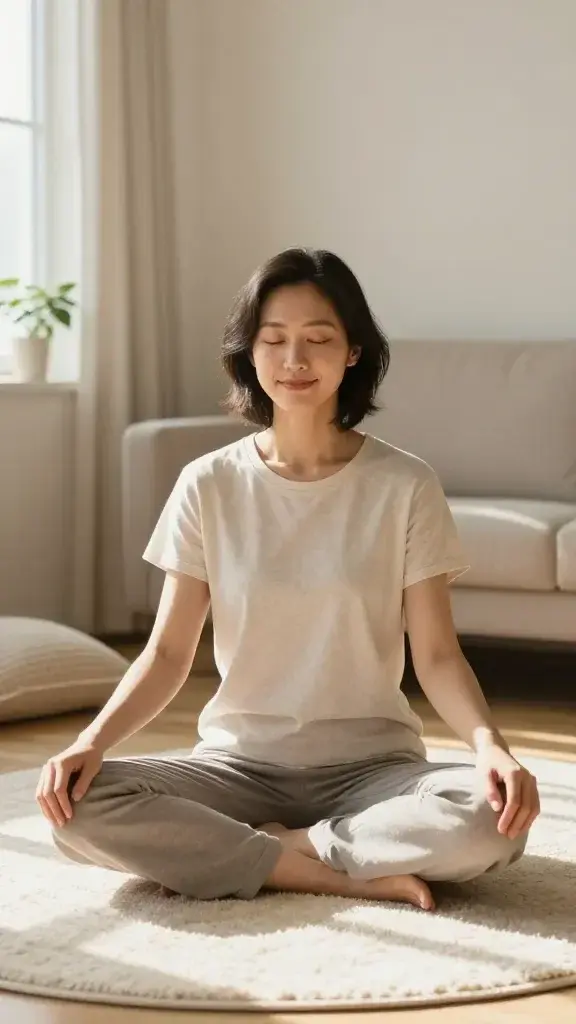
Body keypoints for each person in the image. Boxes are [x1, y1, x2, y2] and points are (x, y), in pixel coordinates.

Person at [37, 248, 540, 913]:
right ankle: (322, 867)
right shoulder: (207, 484)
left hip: (374, 769)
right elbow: (165, 655)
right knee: (74, 805)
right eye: (273, 340)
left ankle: (280, 847)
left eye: (318, 339)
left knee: (490, 820)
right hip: (236, 765)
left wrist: (491, 750)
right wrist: (90, 742)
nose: (294, 360)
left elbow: (440, 656)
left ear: (354, 351)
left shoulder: (405, 485)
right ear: (250, 352)